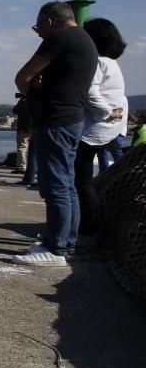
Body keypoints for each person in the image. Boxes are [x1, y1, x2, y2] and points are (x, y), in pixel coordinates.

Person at [12, 2, 98, 266]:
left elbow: (22, 76)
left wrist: (31, 87)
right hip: (72, 118)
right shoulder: (84, 39)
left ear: (50, 21)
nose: (38, 32)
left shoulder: (60, 38)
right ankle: (65, 240)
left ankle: (55, 248)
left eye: (38, 26)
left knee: (55, 185)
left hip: (54, 120)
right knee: (67, 183)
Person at [73, 18, 126, 250]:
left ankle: (87, 227)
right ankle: (88, 225)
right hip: (107, 128)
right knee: (84, 180)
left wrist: (105, 113)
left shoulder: (96, 62)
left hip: (93, 127)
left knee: (81, 180)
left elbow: (91, 91)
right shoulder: (112, 63)